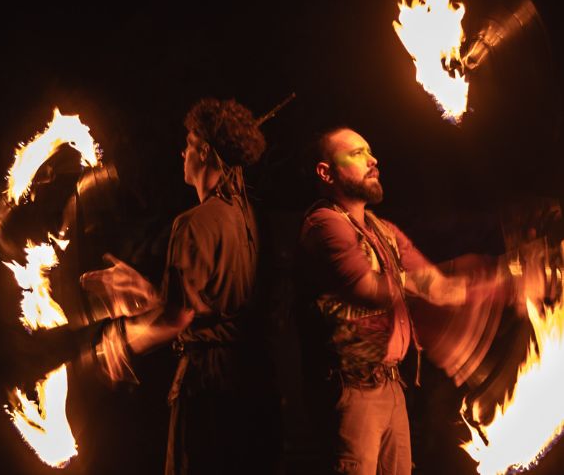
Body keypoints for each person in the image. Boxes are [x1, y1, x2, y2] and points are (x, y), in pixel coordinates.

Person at [81, 98, 277, 475]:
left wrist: (119, 342)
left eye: (188, 144)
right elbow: (210, 303)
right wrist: (146, 291)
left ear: (204, 151)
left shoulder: (194, 223)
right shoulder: (249, 216)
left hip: (209, 387)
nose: (182, 152)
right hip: (254, 381)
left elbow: (177, 318)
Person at [296, 127, 469, 475]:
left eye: (370, 151)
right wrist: (416, 282)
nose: (373, 160)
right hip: (352, 392)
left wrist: (510, 277)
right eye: (357, 154)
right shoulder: (324, 224)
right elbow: (366, 287)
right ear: (325, 172)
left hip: (391, 387)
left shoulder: (381, 229)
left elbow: (440, 287)